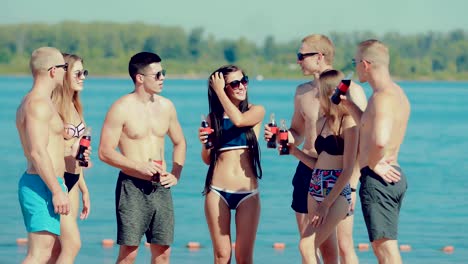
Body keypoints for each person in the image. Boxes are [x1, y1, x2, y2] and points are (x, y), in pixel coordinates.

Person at [264, 34, 366, 263]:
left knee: (343, 244)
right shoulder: (302, 92)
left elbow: (361, 140)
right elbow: (297, 132)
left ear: (319, 57)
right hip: (308, 170)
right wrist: (282, 138)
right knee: (310, 244)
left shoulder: (352, 91)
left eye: (301, 56)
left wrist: (353, 183)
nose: (298, 60)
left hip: (342, 176)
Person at [98, 51, 186, 264]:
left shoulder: (167, 106)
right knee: (129, 253)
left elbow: (179, 142)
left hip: (161, 187)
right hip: (132, 186)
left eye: (162, 73)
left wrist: (176, 173)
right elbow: (104, 152)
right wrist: (138, 166)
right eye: (157, 75)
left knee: (163, 252)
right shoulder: (121, 108)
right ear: (140, 78)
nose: (162, 78)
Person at [341, 39, 410, 264]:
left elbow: (379, 141)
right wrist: (350, 107)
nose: (355, 67)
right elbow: (372, 129)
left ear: (366, 64)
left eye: (355, 62)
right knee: (385, 249)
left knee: (386, 252)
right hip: (393, 176)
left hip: (379, 180)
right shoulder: (396, 94)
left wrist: (373, 163)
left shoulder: (381, 98)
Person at [289, 70, 358, 263]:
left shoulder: (349, 123)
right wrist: (294, 151)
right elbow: (317, 164)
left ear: (331, 93)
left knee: (306, 245)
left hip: (336, 193)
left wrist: (326, 204)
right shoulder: (321, 122)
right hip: (315, 187)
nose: (317, 96)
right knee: (314, 248)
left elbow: (348, 169)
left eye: (320, 92)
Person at [198, 65, 264, 264]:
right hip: (217, 190)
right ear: (224, 88)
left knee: (244, 258)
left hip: (248, 192)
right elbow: (208, 159)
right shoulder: (212, 119)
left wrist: (219, 91)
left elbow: (239, 120)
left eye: (244, 80)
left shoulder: (256, 111)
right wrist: (205, 144)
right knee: (222, 255)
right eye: (235, 83)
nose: (242, 86)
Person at [16, 47, 70, 263]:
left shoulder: (41, 102)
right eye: (64, 67)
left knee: (51, 251)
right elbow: (37, 152)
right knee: (39, 253)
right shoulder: (36, 104)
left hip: (47, 182)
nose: (65, 72)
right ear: (52, 71)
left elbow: (48, 147)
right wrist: (56, 190)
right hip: (41, 184)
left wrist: (70, 151)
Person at [49, 53, 91, 263]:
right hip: (57, 180)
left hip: (73, 180)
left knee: (58, 248)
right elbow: (46, 151)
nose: (83, 76)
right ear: (63, 74)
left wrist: (84, 188)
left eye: (84, 72)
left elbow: (77, 152)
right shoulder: (52, 107)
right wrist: (71, 152)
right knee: (71, 244)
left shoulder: (76, 106)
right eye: (78, 73)